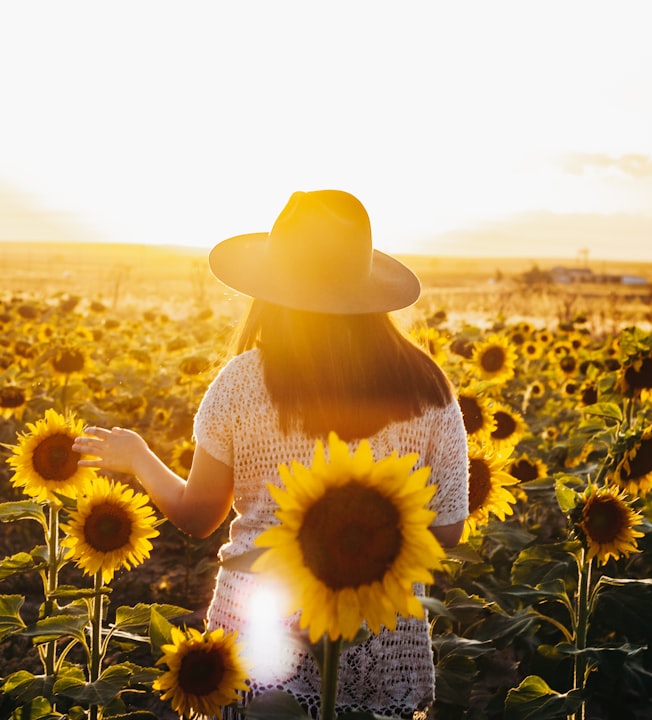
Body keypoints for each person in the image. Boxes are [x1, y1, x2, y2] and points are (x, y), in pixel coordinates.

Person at [73, 189, 469, 718]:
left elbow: (198, 515)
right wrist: (360, 552)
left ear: (272, 286)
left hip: (259, 622)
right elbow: (447, 530)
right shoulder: (426, 387)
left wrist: (140, 456)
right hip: (381, 630)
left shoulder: (241, 382)